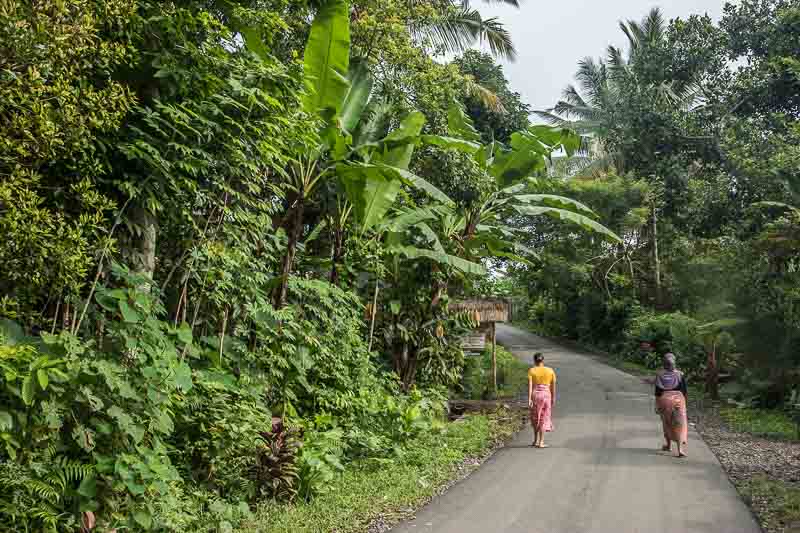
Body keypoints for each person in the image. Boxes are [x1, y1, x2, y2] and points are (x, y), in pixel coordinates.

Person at [654, 352, 689, 458]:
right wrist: (685, 404)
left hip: (665, 401)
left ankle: (668, 446)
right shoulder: (680, 375)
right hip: (678, 401)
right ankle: (680, 449)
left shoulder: (659, 375)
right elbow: (684, 391)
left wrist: (657, 405)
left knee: (667, 423)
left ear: (664, 364)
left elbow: (658, 392)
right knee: (679, 424)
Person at [528, 352, 556, 448]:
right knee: (544, 418)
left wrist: (529, 399)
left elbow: (530, 386)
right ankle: (541, 442)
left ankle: (535, 440)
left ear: (534, 361)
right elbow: (553, 386)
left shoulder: (532, 370)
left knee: (536, 417)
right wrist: (553, 397)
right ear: (543, 360)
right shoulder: (550, 371)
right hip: (546, 395)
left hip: (535, 395)